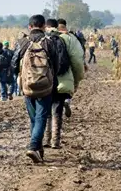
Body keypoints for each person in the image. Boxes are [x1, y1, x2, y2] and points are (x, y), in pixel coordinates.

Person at [12, 14, 59, 163]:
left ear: (29, 27)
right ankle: (34, 147)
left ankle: (38, 149)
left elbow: (13, 63)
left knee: (33, 118)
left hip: (27, 86)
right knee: (41, 117)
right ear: (44, 26)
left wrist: (20, 76)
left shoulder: (23, 42)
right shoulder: (49, 42)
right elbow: (57, 65)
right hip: (45, 86)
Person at [44, 19, 84, 148]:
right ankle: (55, 141)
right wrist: (77, 80)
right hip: (63, 79)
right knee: (57, 110)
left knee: (45, 110)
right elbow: (77, 61)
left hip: (44, 80)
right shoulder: (69, 39)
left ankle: (45, 139)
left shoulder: (42, 38)